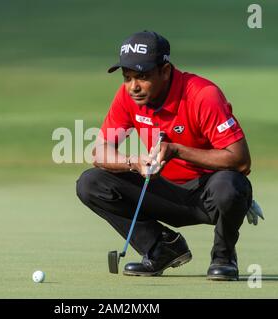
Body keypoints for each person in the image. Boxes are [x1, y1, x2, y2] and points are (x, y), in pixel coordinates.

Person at [76, 31, 262, 281]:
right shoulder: (128, 96)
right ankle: (161, 248)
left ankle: (223, 257)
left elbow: (240, 159)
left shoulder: (202, 94)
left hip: (207, 196)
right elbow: (99, 152)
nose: (134, 86)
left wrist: (177, 150)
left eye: (142, 76)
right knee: (91, 182)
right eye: (127, 77)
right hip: (161, 193)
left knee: (230, 185)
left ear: (165, 71)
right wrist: (134, 162)